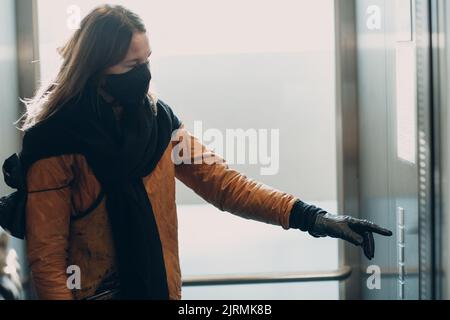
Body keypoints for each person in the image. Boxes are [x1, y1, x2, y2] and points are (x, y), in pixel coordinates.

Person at [2, 5, 391, 300]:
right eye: (133, 64)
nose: (145, 72)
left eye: (148, 59)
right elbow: (47, 257)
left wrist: (314, 217)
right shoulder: (56, 143)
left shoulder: (159, 125)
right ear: (98, 69)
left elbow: (225, 186)